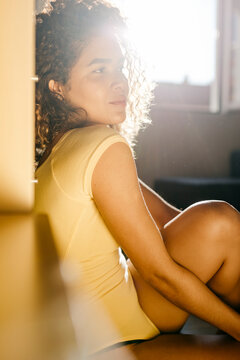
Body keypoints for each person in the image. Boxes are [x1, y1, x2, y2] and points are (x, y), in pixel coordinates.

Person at [34, 0, 240, 358]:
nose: (119, 82)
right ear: (58, 87)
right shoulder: (104, 145)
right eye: (99, 70)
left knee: (215, 223)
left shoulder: (67, 145)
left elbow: (162, 217)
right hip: (114, 325)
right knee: (220, 222)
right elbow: (158, 274)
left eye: (120, 67)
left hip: (89, 318)